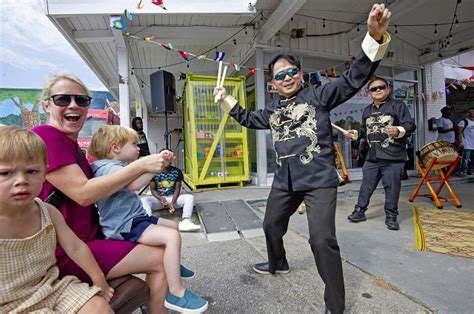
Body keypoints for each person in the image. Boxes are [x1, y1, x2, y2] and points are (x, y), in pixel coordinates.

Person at [214, 4, 392, 313]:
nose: (286, 77)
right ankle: (278, 262)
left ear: (300, 74)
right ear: (272, 83)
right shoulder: (270, 109)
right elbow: (246, 117)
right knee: (270, 224)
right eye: (279, 75)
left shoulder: (319, 95)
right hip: (285, 180)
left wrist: (374, 38)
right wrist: (225, 99)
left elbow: (353, 79)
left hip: (319, 179)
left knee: (321, 241)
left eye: (291, 72)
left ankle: (335, 306)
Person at [32, 73, 173, 313]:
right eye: (63, 99)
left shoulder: (72, 146)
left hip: (92, 239)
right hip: (71, 249)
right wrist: (141, 165)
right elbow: (83, 194)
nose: (74, 105)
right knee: (161, 258)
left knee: (164, 245)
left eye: (82, 100)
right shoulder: (47, 137)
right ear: (46, 105)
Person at [88, 125, 208, 312]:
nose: (138, 148)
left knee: (172, 226)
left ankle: (172, 263)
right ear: (115, 148)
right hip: (126, 225)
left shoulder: (115, 166)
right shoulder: (107, 169)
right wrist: (155, 167)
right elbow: (134, 185)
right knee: (171, 237)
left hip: (135, 218)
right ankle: (176, 293)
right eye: (134, 144)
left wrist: (155, 165)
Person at [0, 126, 113, 313]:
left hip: (50, 288)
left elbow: (76, 247)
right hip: (7, 303)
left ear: (45, 173)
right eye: (5, 173)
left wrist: (99, 279)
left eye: (31, 171)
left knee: (99, 307)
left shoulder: (47, 211)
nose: (21, 181)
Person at [346, 76, 416, 230]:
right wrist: (355, 133)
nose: (378, 90)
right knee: (366, 185)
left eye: (381, 87)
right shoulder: (367, 110)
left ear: (388, 89)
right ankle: (359, 211)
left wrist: (399, 130)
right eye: (373, 89)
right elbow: (365, 131)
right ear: (369, 93)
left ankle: (391, 216)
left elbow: (410, 125)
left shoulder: (398, 106)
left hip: (393, 156)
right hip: (372, 156)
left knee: (391, 188)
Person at [141, 150, 201, 232]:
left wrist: (172, 203)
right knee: (144, 200)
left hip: (173, 198)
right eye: (165, 156)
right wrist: (161, 199)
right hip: (159, 200)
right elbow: (153, 189)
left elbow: (177, 189)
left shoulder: (177, 171)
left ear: (172, 159)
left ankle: (186, 220)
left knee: (189, 197)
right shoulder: (154, 172)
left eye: (170, 157)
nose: (168, 159)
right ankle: (149, 223)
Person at [457, 107, 474, 176]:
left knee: (472, 159)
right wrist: (460, 142)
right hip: (467, 143)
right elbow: (459, 132)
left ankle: (470, 171)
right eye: (470, 112)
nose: (472, 113)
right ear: (467, 113)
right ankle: (463, 171)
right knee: (465, 158)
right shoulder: (464, 122)